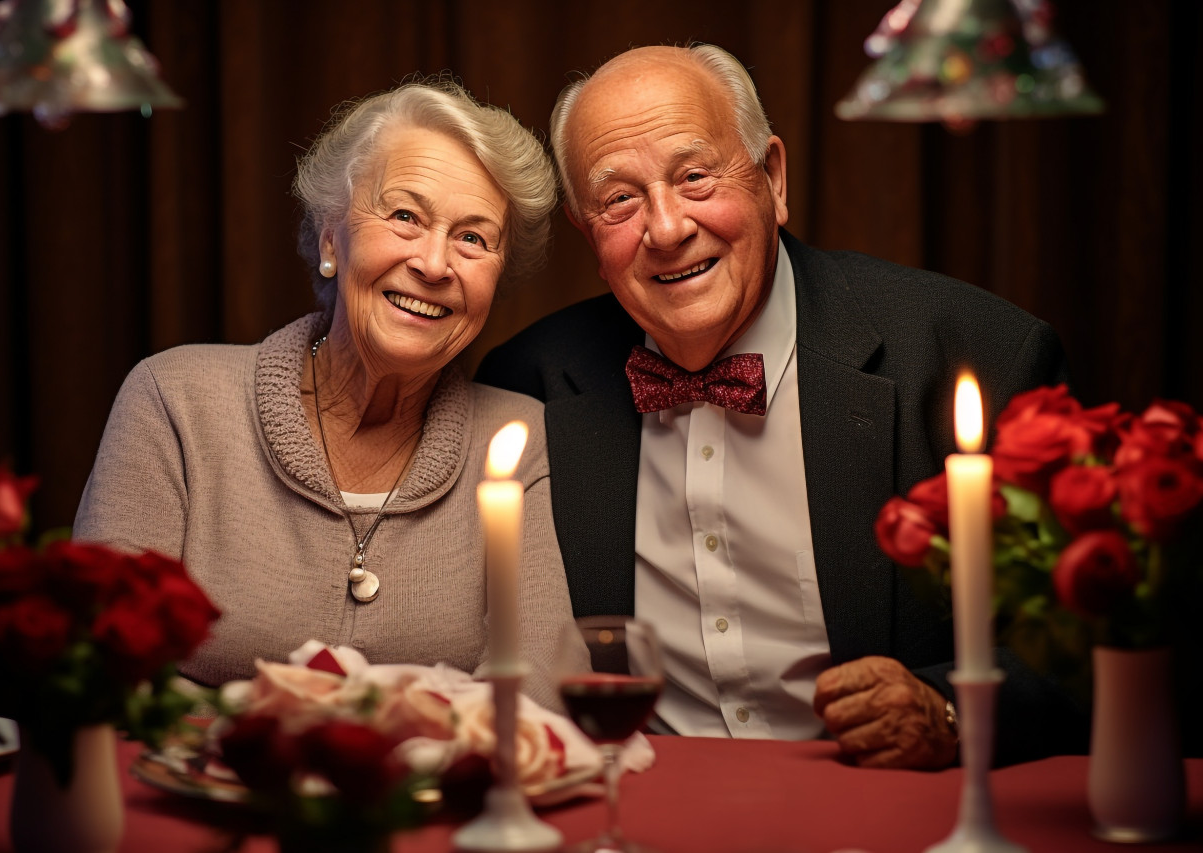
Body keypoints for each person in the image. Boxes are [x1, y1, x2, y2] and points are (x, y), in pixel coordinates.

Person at [477, 44, 1087, 767]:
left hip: (887, 801)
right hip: (648, 797)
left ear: (772, 176)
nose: (667, 229)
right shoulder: (532, 387)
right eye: (620, 201)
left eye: (695, 176)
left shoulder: (975, 357)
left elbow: (1093, 650)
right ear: (587, 233)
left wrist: (947, 710)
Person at [75, 78, 587, 709]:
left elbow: (541, 682)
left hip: (434, 773)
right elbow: (101, 664)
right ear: (329, 239)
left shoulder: (515, 438)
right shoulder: (176, 401)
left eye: (473, 239)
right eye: (405, 217)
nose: (434, 264)